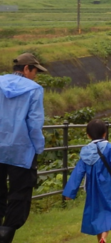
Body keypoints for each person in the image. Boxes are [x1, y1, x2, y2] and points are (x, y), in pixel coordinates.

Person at [0, 53, 46, 243]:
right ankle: (6, 234)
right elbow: (34, 124)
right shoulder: (34, 89)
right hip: (21, 150)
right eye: (35, 71)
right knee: (20, 195)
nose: (35, 76)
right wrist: (38, 148)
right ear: (27, 69)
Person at [63, 119, 111, 243]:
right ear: (105, 133)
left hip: (91, 187)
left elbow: (78, 172)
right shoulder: (110, 148)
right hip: (108, 185)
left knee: (97, 214)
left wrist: (69, 193)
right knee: (109, 211)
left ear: (88, 135)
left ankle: (99, 240)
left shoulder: (86, 151)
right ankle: (104, 238)